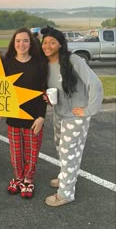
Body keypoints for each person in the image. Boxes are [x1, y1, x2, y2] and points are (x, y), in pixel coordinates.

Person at [40, 26, 103, 207]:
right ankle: (65, 177)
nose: (48, 46)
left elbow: (95, 84)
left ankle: (66, 193)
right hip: (60, 113)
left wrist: (89, 110)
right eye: (45, 42)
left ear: (60, 44)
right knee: (62, 150)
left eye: (52, 42)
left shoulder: (73, 60)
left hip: (75, 117)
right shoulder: (47, 64)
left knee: (69, 154)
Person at [3, 27, 47, 198]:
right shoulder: (6, 64)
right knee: (16, 154)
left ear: (31, 43)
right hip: (13, 118)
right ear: (13, 43)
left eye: (25, 40)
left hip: (34, 118)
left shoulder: (39, 65)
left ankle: (29, 179)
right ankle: (18, 177)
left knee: (32, 152)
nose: (21, 44)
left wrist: (42, 117)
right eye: (18, 41)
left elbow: (44, 92)